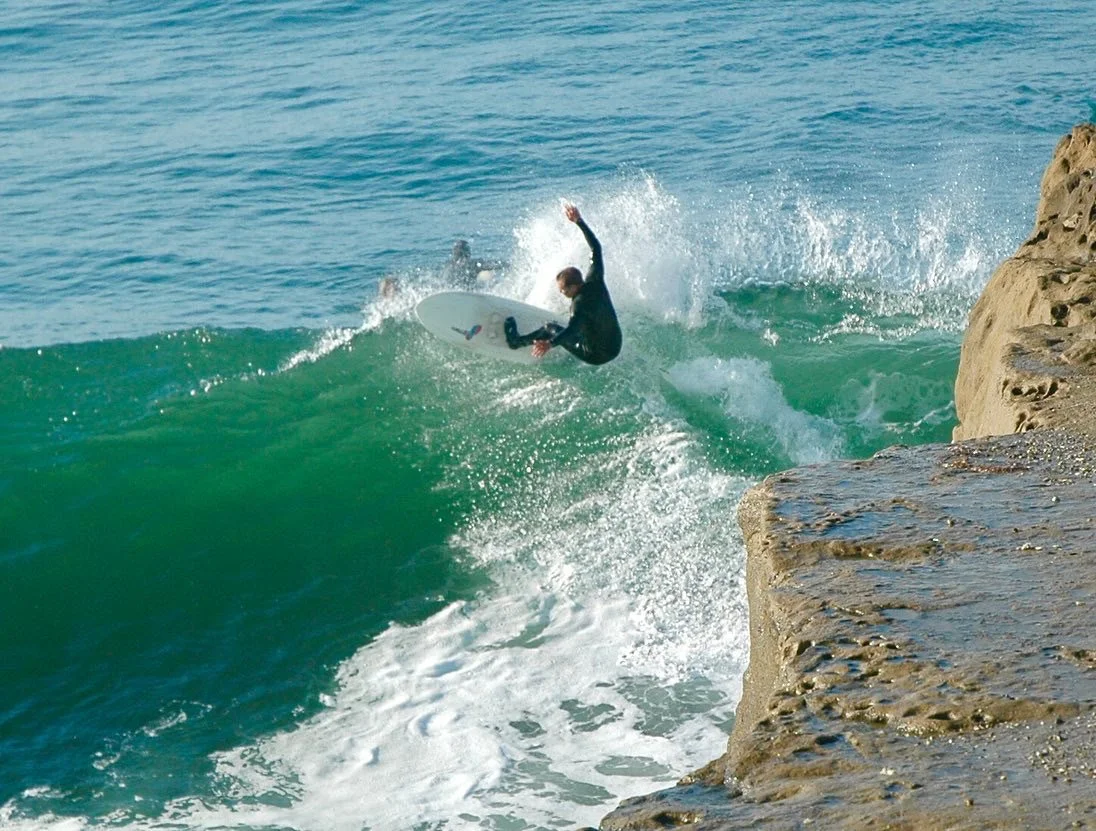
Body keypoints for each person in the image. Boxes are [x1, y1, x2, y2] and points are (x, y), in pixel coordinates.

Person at [504, 203, 622, 365]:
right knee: (582, 325)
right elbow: (596, 248)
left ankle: (515, 343)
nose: (561, 293)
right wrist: (579, 221)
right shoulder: (595, 280)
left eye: (563, 290)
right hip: (615, 345)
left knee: (549, 328)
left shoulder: (579, 305)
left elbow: (572, 330)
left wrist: (550, 343)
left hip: (596, 355)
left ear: (573, 287)